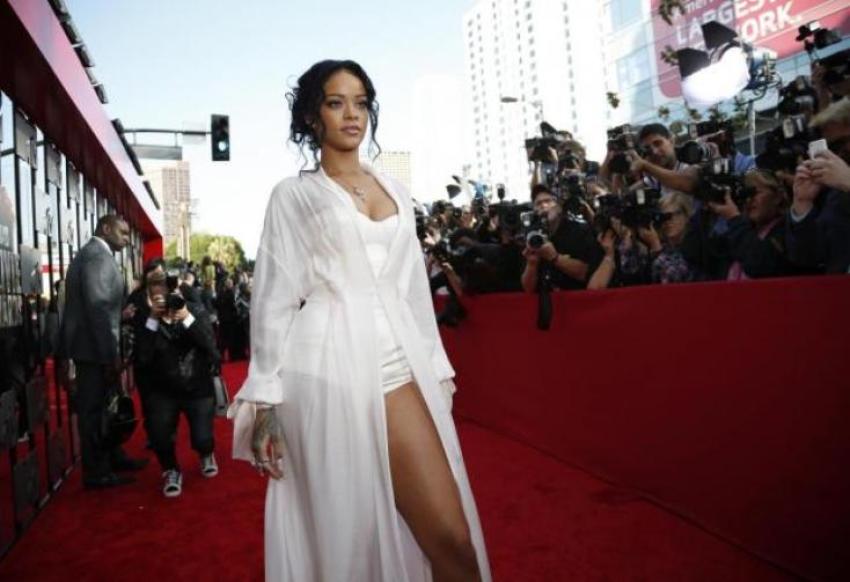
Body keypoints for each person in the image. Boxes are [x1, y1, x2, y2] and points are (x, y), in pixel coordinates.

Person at [228, 60, 491, 581]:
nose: (352, 114)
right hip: (325, 370)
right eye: (336, 102)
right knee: (349, 537)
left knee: (452, 539)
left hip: (399, 361)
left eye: (361, 102)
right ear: (312, 116)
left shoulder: (394, 189)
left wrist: (437, 366)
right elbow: (274, 300)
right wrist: (264, 399)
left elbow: (414, 288)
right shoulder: (294, 194)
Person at [59, 215, 148, 489]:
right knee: (94, 412)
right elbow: (97, 309)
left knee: (104, 410)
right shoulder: (98, 256)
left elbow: (98, 308)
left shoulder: (94, 254)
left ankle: (112, 457)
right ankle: (97, 472)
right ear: (106, 229)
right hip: (94, 351)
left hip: (93, 346)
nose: (126, 238)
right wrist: (111, 357)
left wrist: (119, 315)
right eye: (122, 232)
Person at [135, 272, 220, 497]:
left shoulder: (194, 308)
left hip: (197, 385)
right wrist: (153, 318)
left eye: (167, 286)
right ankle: (170, 469)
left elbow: (211, 348)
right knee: (160, 436)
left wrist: (186, 317)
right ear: (149, 291)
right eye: (156, 286)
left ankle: (206, 453)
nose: (162, 291)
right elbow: (142, 357)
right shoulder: (145, 316)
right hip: (162, 389)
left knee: (202, 438)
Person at [520, 184, 604, 293]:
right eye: (538, 203)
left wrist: (555, 258)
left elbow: (586, 273)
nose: (543, 206)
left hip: (576, 300)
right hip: (546, 303)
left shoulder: (579, 230)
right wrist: (532, 265)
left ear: (559, 206)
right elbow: (527, 288)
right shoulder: (531, 234)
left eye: (548, 201)